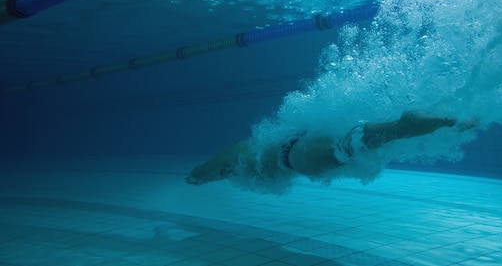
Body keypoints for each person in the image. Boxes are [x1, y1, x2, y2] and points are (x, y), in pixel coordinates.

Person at [186, 111, 474, 187]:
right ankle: (444, 122)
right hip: (299, 144)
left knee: (350, 147)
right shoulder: (252, 147)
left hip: (295, 159)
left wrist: (196, 178)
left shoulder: (233, 156)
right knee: (352, 143)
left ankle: (404, 125)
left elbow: (200, 174)